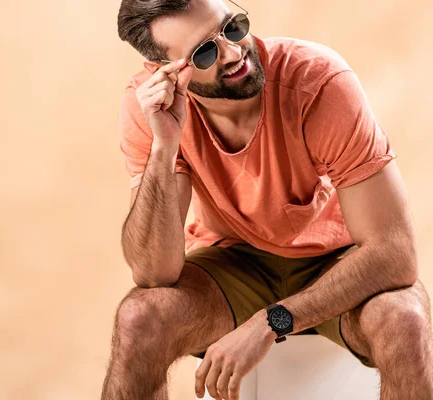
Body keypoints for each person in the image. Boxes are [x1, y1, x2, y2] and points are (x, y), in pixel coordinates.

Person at [101, 0, 433, 399]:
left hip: (336, 261)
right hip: (232, 262)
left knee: (405, 319)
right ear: (164, 72)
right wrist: (164, 146)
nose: (234, 51)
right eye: (205, 52)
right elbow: (155, 274)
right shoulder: (150, 108)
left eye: (232, 27)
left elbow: (393, 252)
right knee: (138, 318)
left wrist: (271, 321)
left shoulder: (318, 82)